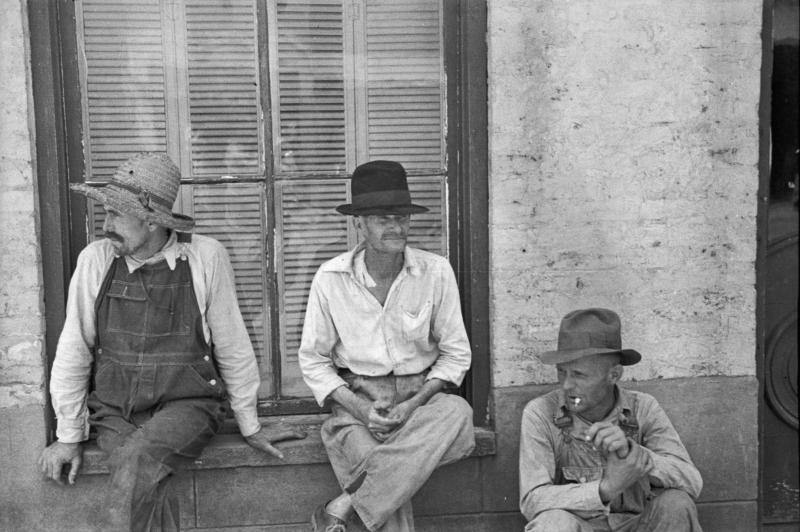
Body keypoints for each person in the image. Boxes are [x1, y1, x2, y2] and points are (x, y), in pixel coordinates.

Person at [37, 153, 305, 531]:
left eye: (116, 215)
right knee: (144, 475)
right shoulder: (95, 260)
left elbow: (232, 343)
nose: (106, 225)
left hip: (189, 404)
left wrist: (249, 423)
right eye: (105, 213)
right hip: (116, 409)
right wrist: (68, 435)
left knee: (135, 463)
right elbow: (74, 348)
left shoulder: (203, 256)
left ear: (150, 222)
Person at [298, 160, 475, 532]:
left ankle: (342, 504)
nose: (396, 228)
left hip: (422, 403)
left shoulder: (435, 271)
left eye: (402, 218)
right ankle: (361, 490)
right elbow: (313, 361)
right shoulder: (330, 278)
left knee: (457, 412)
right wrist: (362, 410)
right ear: (358, 223)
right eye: (383, 219)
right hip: (358, 402)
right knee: (385, 472)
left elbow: (456, 353)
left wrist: (412, 404)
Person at [519, 308, 703, 532]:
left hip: (638, 525)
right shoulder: (541, 413)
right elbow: (532, 501)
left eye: (579, 375)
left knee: (676, 504)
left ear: (614, 375)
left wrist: (635, 456)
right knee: (553, 524)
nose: (566, 385)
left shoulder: (643, 408)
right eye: (561, 372)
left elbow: (692, 481)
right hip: (581, 527)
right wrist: (605, 489)